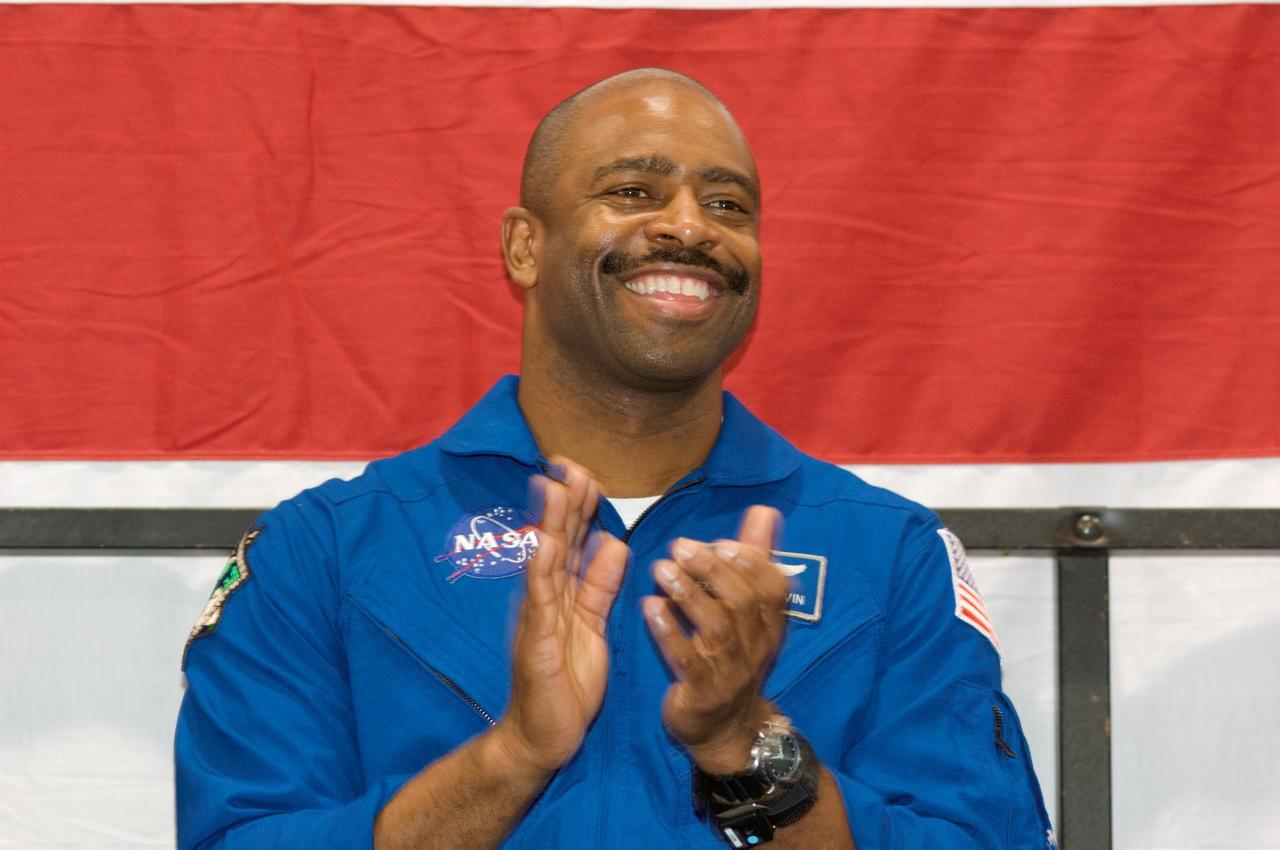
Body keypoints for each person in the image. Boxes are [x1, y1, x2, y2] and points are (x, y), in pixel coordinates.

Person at [175, 68, 1054, 850]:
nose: (690, 228)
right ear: (524, 246)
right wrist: (513, 757)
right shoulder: (322, 551)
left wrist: (745, 746)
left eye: (728, 205)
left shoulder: (891, 557)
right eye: (634, 190)